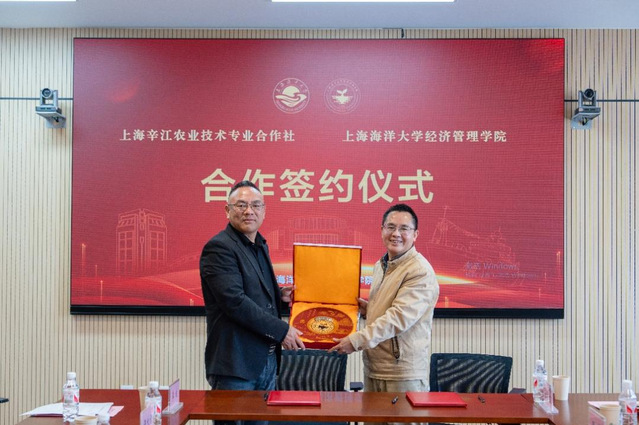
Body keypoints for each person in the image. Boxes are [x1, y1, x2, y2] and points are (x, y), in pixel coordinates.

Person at [200, 180, 305, 425]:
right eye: (241, 205)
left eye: (256, 205)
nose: (249, 211)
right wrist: (282, 330)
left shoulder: (259, 245)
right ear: (227, 210)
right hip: (235, 366)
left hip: (266, 362)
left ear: (264, 211)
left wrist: (280, 296)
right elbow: (234, 302)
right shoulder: (219, 248)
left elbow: (254, 293)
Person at [329, 203, 439, 425]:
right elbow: (388, 308)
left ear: (415, 234)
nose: (396, 234)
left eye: (404, 228)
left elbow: (398, 318)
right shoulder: (381, 265)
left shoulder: (419, 271)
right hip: (375, 368)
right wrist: (368, 309)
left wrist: (356, 340)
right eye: (390, 227)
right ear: (381, 230)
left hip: (403, 374)